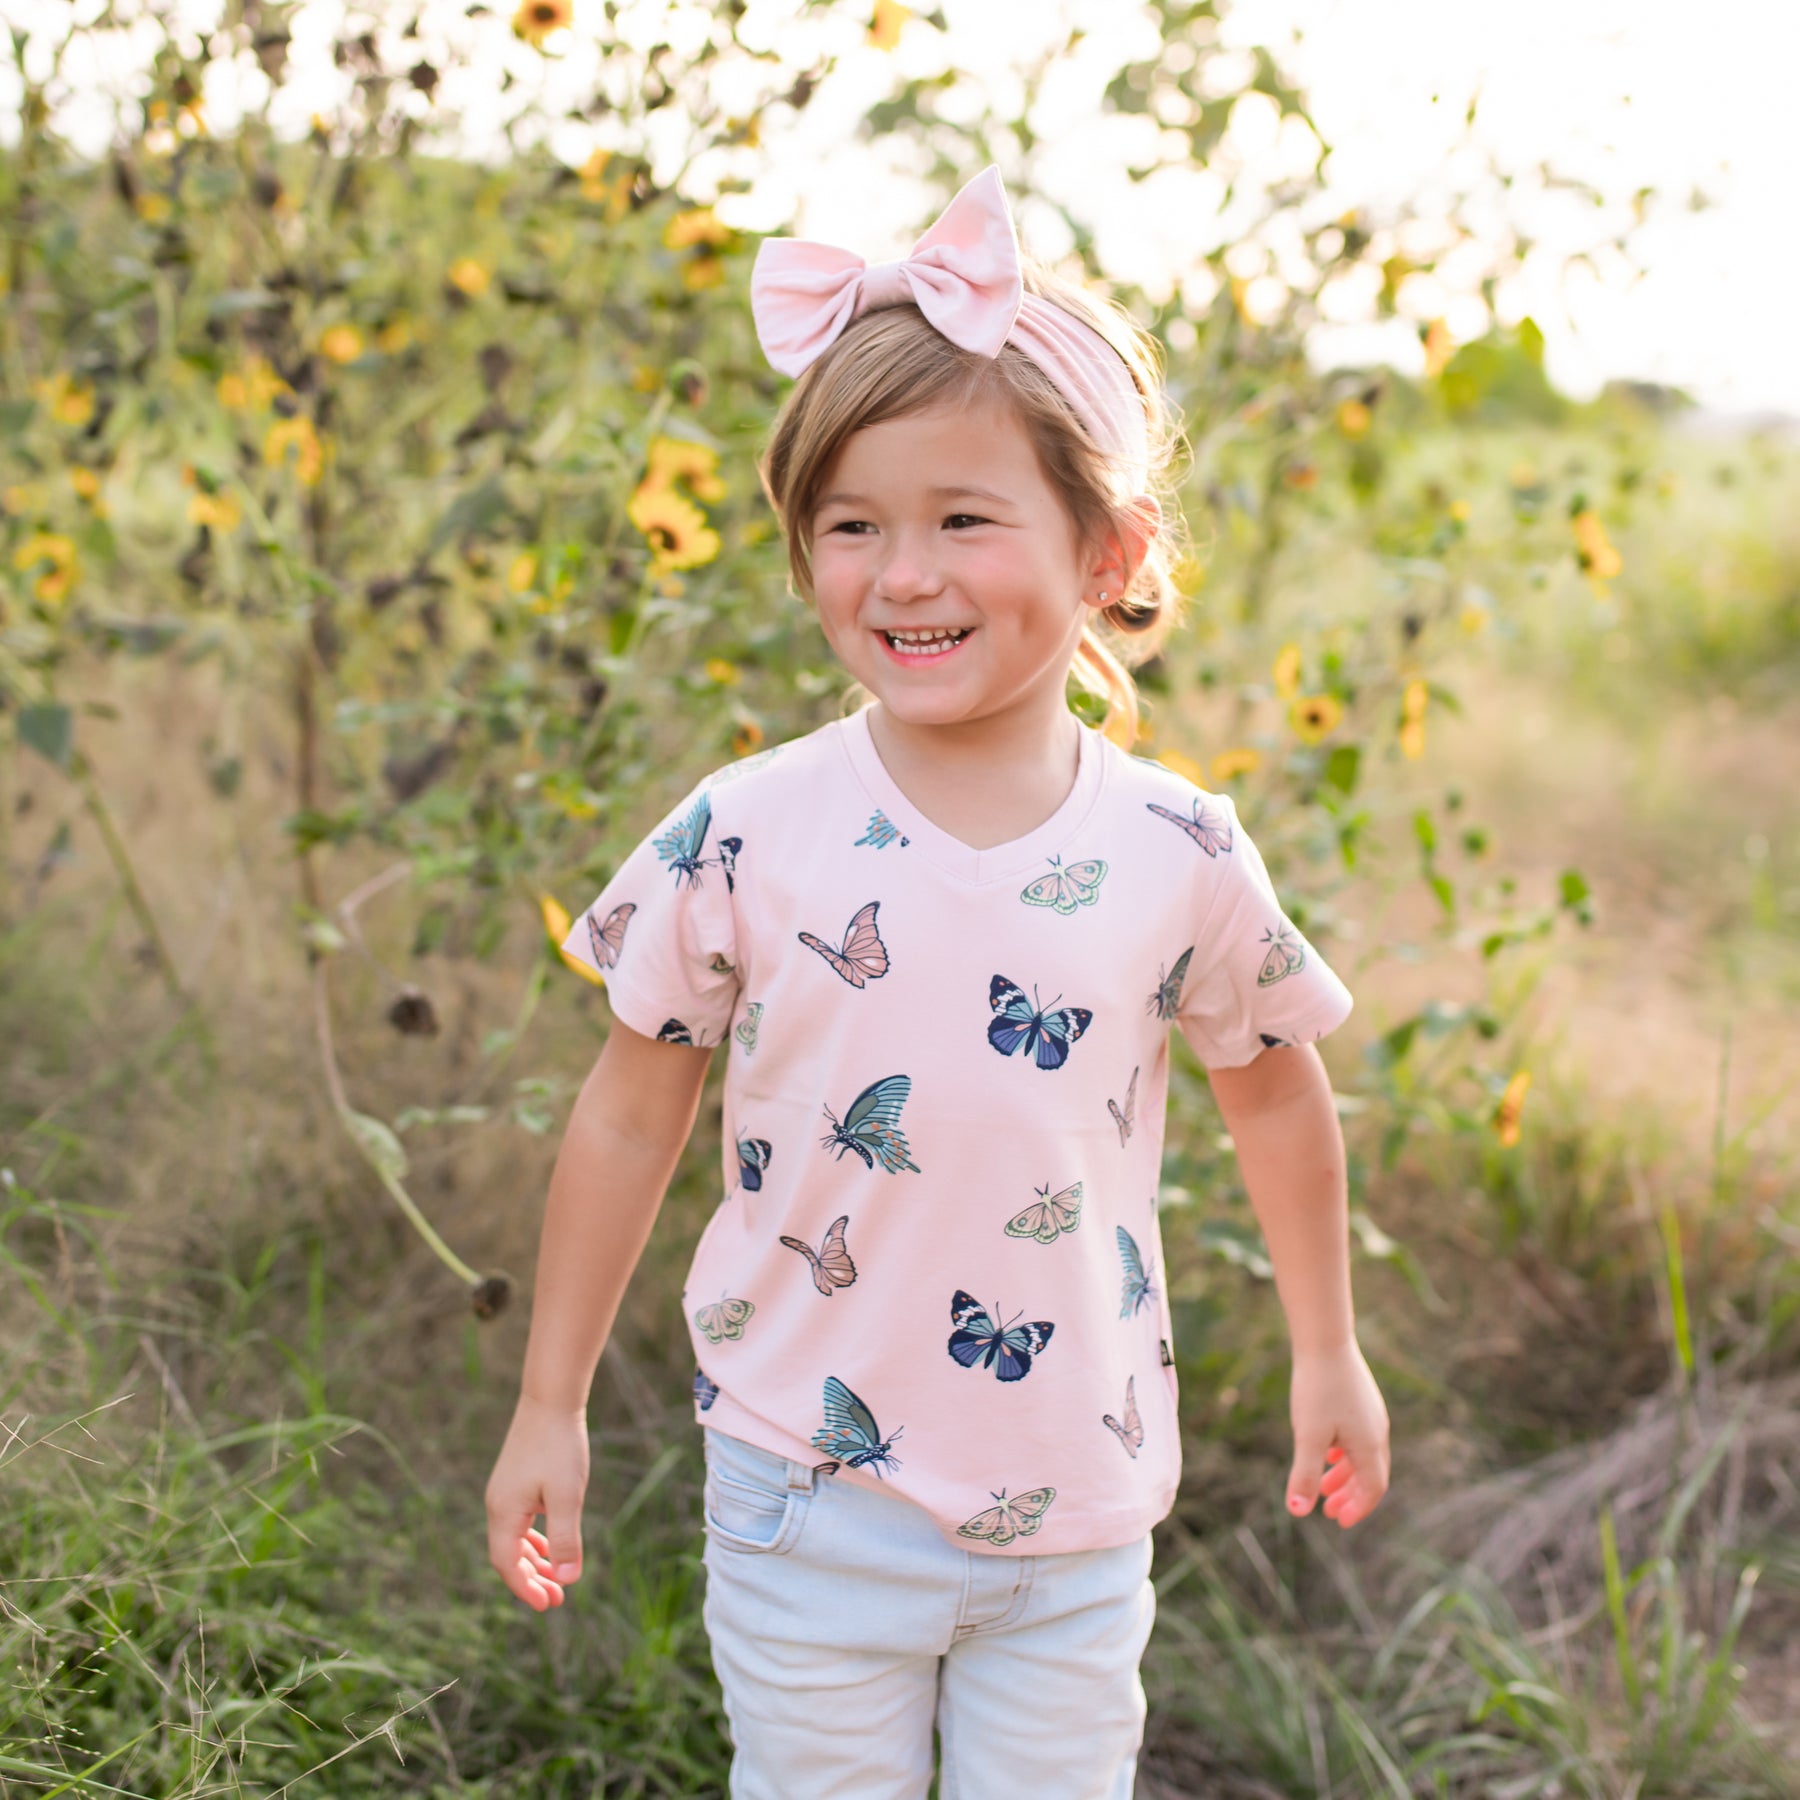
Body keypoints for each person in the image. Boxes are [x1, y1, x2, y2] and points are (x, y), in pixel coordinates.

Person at [487, 164, 1391, 1799]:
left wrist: (1329, 1348)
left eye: (964, 520)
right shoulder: (743, 835)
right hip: (802, 1493)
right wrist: (549, 1402)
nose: (903, 576)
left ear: (1109, 545)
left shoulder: (1177, 846)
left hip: (1080, 1510)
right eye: (852, 526)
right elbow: (626, 1121)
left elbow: (1276, 1098)